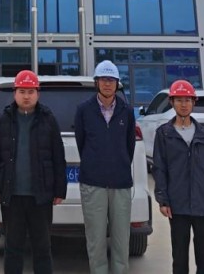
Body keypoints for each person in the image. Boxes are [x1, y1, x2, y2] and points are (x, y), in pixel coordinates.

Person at [0, 69, 67, 274]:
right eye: (22, 91)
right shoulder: (4, 119)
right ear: (15, 93)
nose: (26, 96)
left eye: (31, 91)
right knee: (13, 248)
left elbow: (58, 157)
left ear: (38, 93)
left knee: (42, 248)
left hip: (40, 197)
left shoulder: (48, 119)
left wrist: (60, 190)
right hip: (12, 196)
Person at [151, 80, 204, 274]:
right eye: (179, 100)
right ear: (172, 102)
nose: (184, 104)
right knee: (179, 258)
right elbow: (160, 169)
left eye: (188, 100)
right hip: (178, 205)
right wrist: (163, 199)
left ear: (193, 102)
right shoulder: (164, 134)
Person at [73, 60, 136, 274]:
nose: (107, 84)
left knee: (121, 240)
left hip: (121, 184)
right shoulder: (84, 110)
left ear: (117, 83)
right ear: (96, 82)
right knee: (96, 239)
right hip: (93, 184)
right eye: (103, 79)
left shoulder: (127, 111)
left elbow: (129, 146)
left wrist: (118, 164)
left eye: (111, 80)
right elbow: (82, 143)